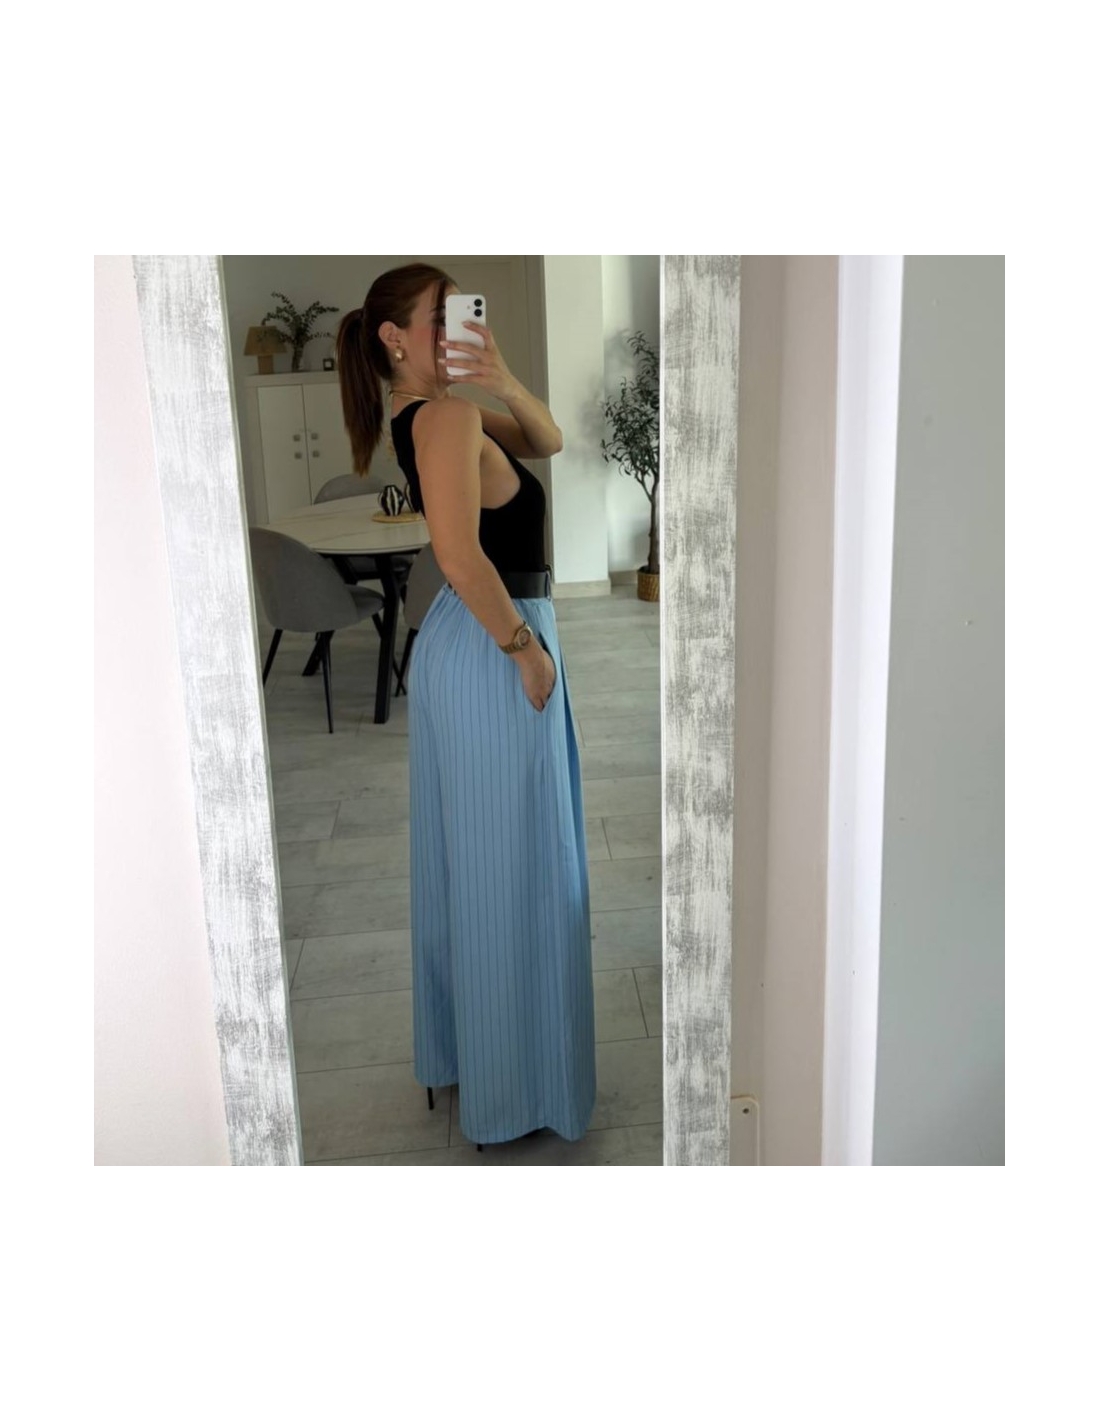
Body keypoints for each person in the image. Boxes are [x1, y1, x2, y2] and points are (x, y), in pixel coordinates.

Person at [335, 264, 597, 1147]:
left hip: (472, 639)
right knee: (514, 869)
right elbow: (457, 552)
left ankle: (479, 1062)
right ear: (393, 338)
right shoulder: (442, 419)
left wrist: (503, 375)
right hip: (495, 640)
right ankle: (515, 1090)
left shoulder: (442, 412)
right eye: (437, 317)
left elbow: (548, 440)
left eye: (459, 316)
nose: (453, 329)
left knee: (482, 861)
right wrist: (525, 651)